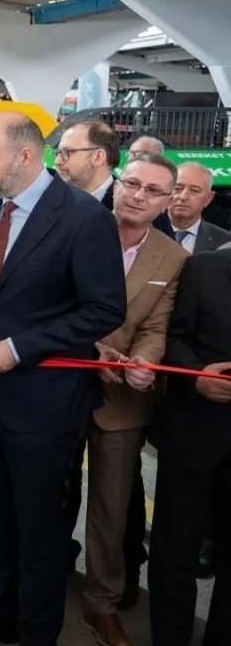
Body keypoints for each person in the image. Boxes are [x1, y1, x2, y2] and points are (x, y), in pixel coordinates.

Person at [0, 113, 125, 646]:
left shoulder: (84, 218)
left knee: (39, 527)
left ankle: (35, 632)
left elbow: (104, 309)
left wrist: (20, 348)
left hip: (43, 405)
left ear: (26, 156)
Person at [80, 153, 188, 646]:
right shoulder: (78, 228)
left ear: (168, 201)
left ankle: (101, 604)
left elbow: (156, 325)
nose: (139, 195)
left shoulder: (173, 257)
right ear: (117, 184)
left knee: (112, 510)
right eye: (133, 183)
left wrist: (144, 361)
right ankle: (35, 584)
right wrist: (88, 349)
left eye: (154, 190)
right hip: (59, 385)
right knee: (46, 495)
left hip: (122, 400)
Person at [149, 245, 231, 645]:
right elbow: (173, 337)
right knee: (174, 551)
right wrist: (197, 377)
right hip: (194, 433)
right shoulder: (203, 268)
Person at [170, 162, 231, 253]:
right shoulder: (148, 231)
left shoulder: (226, 242)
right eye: (177, 188)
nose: (183, 197)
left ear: (208, 198)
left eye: (194, 190)